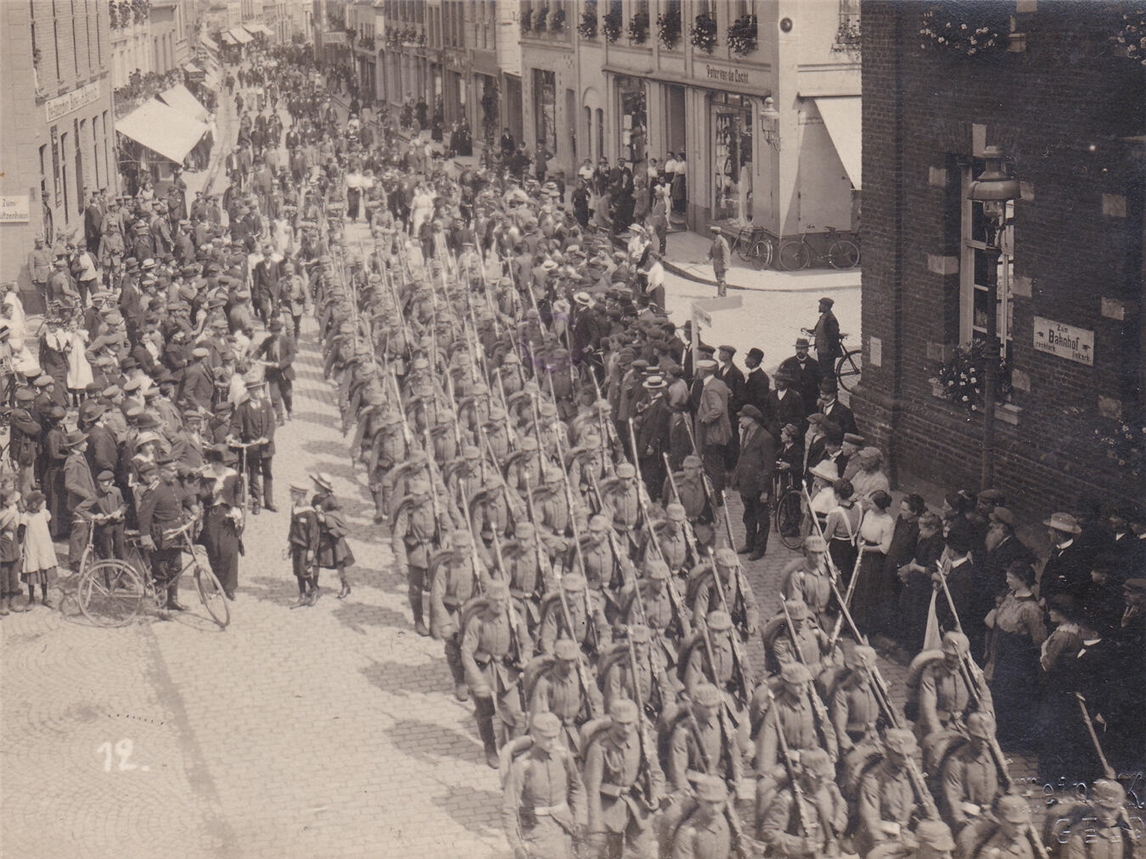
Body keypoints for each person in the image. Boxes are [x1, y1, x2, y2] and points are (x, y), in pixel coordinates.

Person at [501, 711, 587, 859]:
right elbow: (509, 808)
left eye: (555, 736)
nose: (553, 741)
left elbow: (577, 788)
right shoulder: (522, 766)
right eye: (547, 738)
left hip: (566, 823)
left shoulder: (563, 756)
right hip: (538, 830)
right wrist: (516, 845)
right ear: (534, 736)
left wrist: (580, 818)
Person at [983, 562, 1046, 752]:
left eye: (1011, 577)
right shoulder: (1011, 596)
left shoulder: (1031, 609)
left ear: (1022, 580)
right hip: (1001, 654)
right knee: (998, 695)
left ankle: (1011, 739)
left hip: (1017, 660)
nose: (1007, 580)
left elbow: (1039, 639)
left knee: (1012, 698)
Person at [729, 404, 774, 561]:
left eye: (743, 417)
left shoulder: (766, 438)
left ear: (752, 419)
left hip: (758, 487)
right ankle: (749, 544)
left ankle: (759, 549)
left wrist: (765, 490)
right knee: (748, 516)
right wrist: (736, 477)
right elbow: (743, 457)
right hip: (746, 484)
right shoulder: (746, 432)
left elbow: (769, 467)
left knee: (762, 519)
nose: (740, 419)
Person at [19, 490, 58, 609]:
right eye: (41, 502)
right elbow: (21, 532)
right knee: (32, 570)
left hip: (44, 547)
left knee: (44, 572)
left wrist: (43, 508)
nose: (43, 503)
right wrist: (21, 547)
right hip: (32, 547)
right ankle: (31, 599)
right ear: (34, 504)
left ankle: (45, 597)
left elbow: (49, 518)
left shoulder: (44, 513)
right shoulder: (25, 516)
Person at [287, 481, 319, 608]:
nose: (290, 494)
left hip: (306, 547)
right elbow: (292, 528)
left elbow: (313, 533)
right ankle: (302, 596)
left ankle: (314, 588)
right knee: (297, 571)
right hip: (296, 544)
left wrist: (311, 550)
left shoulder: (309, 513)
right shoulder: (294, 508)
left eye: (292, 492)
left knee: (303, 570)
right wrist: (289, 544)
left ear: (300, 495)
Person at [810, 297, 841, 373]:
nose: (819, 306)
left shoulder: (830, 319)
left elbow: (834, 335)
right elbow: (818, 329)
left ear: (826, 307)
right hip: (822, 349)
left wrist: (831, 350)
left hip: (827, 351)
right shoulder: (824, 317)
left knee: (828, 373)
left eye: (821, 304)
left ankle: (831, 384)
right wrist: (808, 330)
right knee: (823, 371)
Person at [705, 227, 730, 298]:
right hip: (716, 265)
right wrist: (707, 258)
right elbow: (711, 253)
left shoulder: (722, 241)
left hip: (721, 264)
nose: (711, 235)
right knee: (719, 279)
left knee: (721, 279)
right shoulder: (715, 242)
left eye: (711, 234)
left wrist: (725, 265)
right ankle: (723, 294)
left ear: (714, 234)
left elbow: (726, 254)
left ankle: (720, 294)